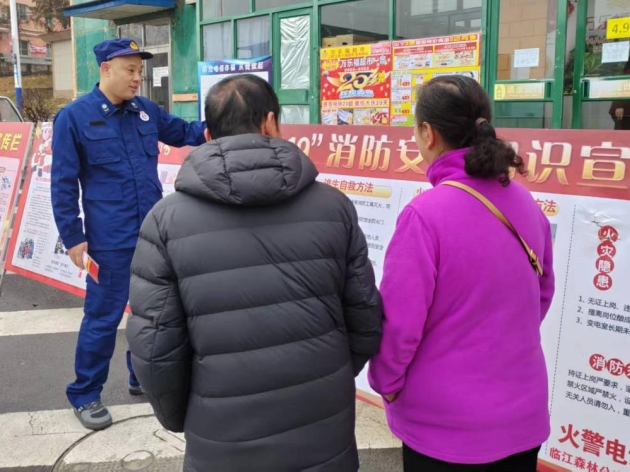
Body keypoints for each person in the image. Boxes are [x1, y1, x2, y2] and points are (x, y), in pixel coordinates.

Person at [126, 74, 383, 472]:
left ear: (208, 135)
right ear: (271, 123)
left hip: (220, 437)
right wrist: (328, 375)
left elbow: (155, 347)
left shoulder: (165, 220)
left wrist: (184, 415)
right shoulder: (334, 206)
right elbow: (365, 315)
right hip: (322, 426)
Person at [368, 75, 555, 472]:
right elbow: (542, 293)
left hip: (446, 430)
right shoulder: (525, 202)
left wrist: (387, 384)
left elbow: (400, 324)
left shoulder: (424, 215)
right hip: (523, 418)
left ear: (428, 133)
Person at [51, 38, 206, 431]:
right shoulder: (74, 117)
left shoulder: (146, 111)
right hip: (109, 241)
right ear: (106, 69)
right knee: (102, 319)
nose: (138, 78)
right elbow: (63, 183)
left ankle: (141, 376)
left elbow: (187, 132)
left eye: (141, 71)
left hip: (153, 236)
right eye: (130, 70)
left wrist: (229, 119)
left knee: (154, 313)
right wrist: (73, 236)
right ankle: (85, 393)